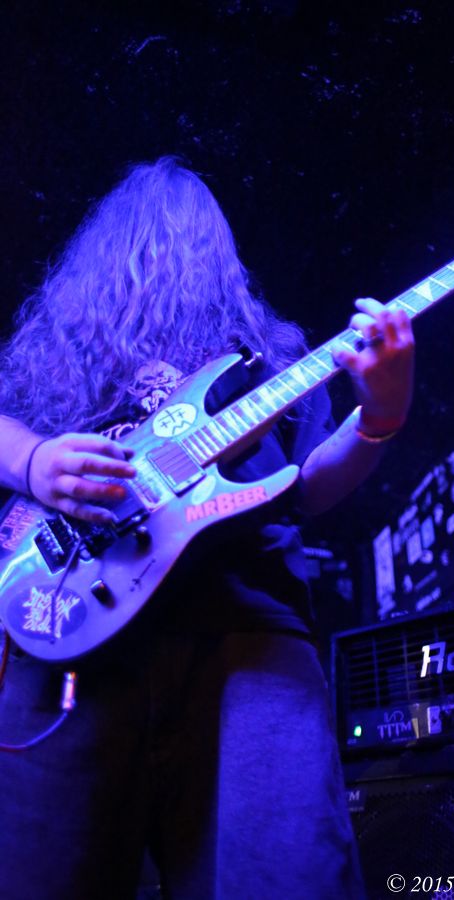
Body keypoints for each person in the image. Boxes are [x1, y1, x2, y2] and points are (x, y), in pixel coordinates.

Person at [0, 157, 414, 900]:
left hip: (246, 636)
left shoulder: (268, 357)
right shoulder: (54, 352)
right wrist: (34, 462)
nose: (169, 256)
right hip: (65, 630)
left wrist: (380, 414)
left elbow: (306, 488)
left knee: (282, 878)